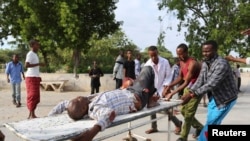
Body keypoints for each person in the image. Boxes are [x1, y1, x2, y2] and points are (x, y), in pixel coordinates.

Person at [49, 66, 159, 141]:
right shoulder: (96, 109)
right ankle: (149, 100)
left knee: (136, 80)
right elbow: (109, 114)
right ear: (83, 109)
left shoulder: (83, 102)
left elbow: (63, 104)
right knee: (148, 69)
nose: (77, 97)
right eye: (78, 99)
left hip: (128, 90)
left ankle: (150, 95)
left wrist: (47, 119)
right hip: (137, 97)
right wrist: (92, 133)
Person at [181, 40, 238, 141]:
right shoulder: (205, 63)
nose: (205, 54)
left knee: (211, 124)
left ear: (215, 50)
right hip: (213, 98)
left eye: (208, 51)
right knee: (212, 122)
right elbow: (200, 80)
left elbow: (211, 84)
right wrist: (190, 91)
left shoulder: (222, 64)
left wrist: (191, 95)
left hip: (225, 99)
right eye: (203, 51)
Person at [163, 44, 203, 141]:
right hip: (187, 89)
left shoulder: (192, 63)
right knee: (182, 110)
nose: (179, 56)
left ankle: (183, 137)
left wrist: (172, 93)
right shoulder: (181, 62)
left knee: (189, 114)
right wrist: (169, 86)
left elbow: (186, 81)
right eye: (178, 54)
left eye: (181, 54)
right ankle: (200, 128)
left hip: (195, 90)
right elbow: (180, 77)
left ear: (186, 52)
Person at [143, 46, 182, 135]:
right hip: (153, 89)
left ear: (158, 53)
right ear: (149, 55)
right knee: (151, 107)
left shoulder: (165, 62)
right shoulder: (147, 64)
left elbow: (168, 76)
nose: (153, 58)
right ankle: (154, 127)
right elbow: (147, 78)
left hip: (164, 88)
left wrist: (165, 87)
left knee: (166, 109)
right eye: (151, 56)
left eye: (155, 55)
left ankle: (178, 123)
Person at [25, 39, 45, 119]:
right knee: (32, 95)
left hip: (35, 77)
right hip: (31, 77)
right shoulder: (30, 54)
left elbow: (34, 67)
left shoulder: (35, 54)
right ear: (32, 45)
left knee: (36, 96)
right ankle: (31, 114)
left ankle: (32, 113)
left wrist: (38, 76)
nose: (38, 46)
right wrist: (39, 64)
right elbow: (26, 65)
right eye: (37, 45)